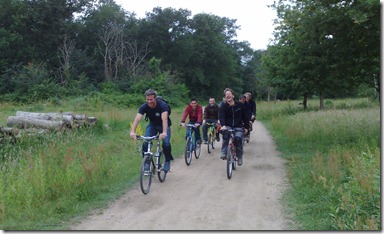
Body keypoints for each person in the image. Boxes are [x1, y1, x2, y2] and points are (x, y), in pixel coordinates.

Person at [130, 89, 173, 172]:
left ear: (155, 98)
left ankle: (167, 160)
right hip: (153, 125)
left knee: (166, 143)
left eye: (151, 99)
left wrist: (164, 132)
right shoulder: (144, 106)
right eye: (147, 99)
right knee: (146, 141)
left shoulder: (163, 105)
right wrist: (132, 132)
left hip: (164, 126)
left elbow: (164, 119)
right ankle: (146, 162)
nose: (149, 102)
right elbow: (137, 119)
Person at [219, 88, 249, 166]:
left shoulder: (240, 105)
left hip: (238, 126)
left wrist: (246, 127)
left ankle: (239, 156)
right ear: (225, 97)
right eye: (226, 95)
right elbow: (221, 117)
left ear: (233, 96)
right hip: (228, 126)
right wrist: (223, 126)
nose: (228, 96)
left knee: (238, 138)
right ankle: (224, 152)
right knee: (225, 136)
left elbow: (245, 117)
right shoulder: (223, 106)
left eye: (229, 94)